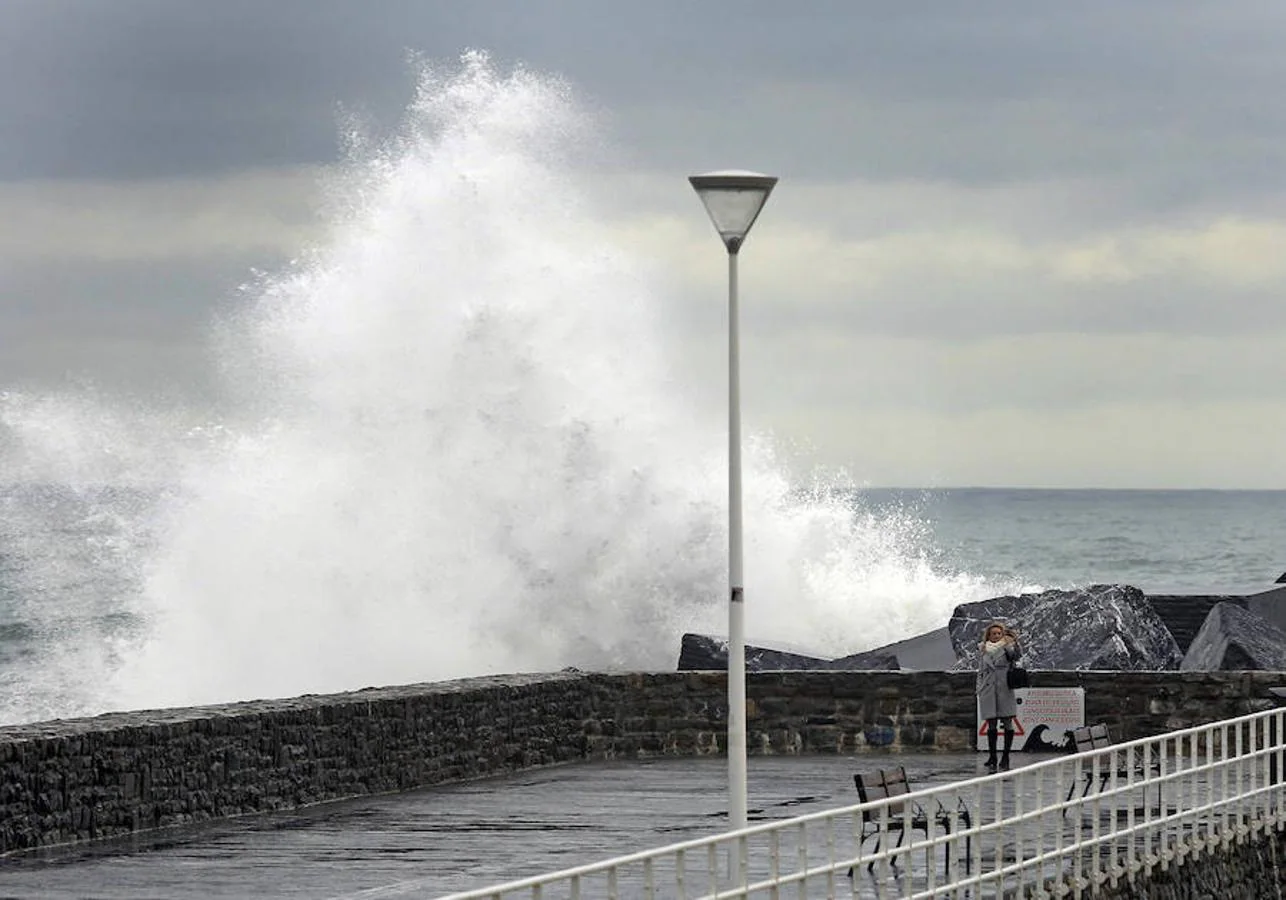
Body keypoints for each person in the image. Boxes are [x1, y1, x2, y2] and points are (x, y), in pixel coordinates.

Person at [976, 622, 1022, 771]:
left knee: (1008, 722)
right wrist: (979, 689)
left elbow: (1016, 657)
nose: (996, 636)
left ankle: (1006, 756)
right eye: (993, 633)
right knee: (991, 724)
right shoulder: (983, 650)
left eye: (999, 633)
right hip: (988, 689)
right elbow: (981, 671)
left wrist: (1011, 643)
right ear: (988, 635)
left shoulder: (1008, 647)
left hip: (1004, 688)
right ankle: (993, 756)